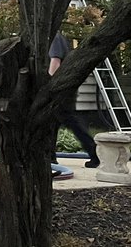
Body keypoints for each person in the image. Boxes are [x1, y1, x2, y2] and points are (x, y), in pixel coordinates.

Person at [49, 32, 100, 168]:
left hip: (60, 88)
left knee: (69, 121)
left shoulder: (54, 37)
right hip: (65, 87)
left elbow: (55, 62)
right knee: (54, 122)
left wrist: (48, 86)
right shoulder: (58, 38)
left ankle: (94, 152)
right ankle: (50, 157)